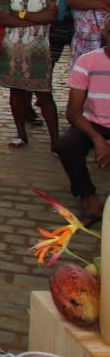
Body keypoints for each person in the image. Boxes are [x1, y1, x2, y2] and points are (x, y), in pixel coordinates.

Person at [0, 0, 60, 149]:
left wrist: (21, 16)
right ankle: (21, 134)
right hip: (12, 48)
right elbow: (4, 18)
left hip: (38, 50)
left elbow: (50, 17)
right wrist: (34, 18)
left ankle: (56, 141)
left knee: (44, 94)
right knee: (16, 93)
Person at [56, 15, 110, 223]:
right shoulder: (87, 61)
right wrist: (98, 139)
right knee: (66, 146)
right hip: (93, 123)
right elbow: (73, 112)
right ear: (105, 33)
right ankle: (90, 198)